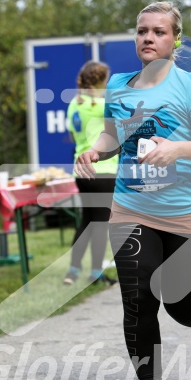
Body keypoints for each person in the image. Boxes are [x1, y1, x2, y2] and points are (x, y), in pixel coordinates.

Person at [75, 1, 191, 380]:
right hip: (131, 208)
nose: (148, 37)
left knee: (181, 304)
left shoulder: (190, 85)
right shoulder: (120, 85)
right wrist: (96, 149)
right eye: (143, 30)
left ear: (174, 39)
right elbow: (113, 136)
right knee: (139, 300)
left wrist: (178, 148)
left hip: (187, 213)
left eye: (159, 31)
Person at [63, 60, 118, 286]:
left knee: (86, 220)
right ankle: (96, 273)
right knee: (100, 223)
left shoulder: (74, 104)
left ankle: (72, 271)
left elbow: (71, 136)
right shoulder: (104, 104)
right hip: (104, 170)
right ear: (101, 81)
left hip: (81, 171)